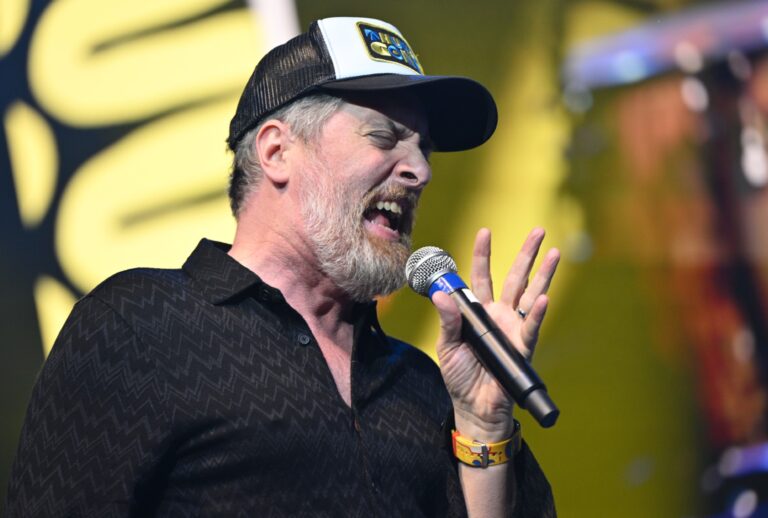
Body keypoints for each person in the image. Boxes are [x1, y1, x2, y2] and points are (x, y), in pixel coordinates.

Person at [7, 17, 558, 517]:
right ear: (276, 152)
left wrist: (484, 426)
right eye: (385, 136)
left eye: (425, 150)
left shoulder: (427, 386)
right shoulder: (140, 326)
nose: (418, 170)